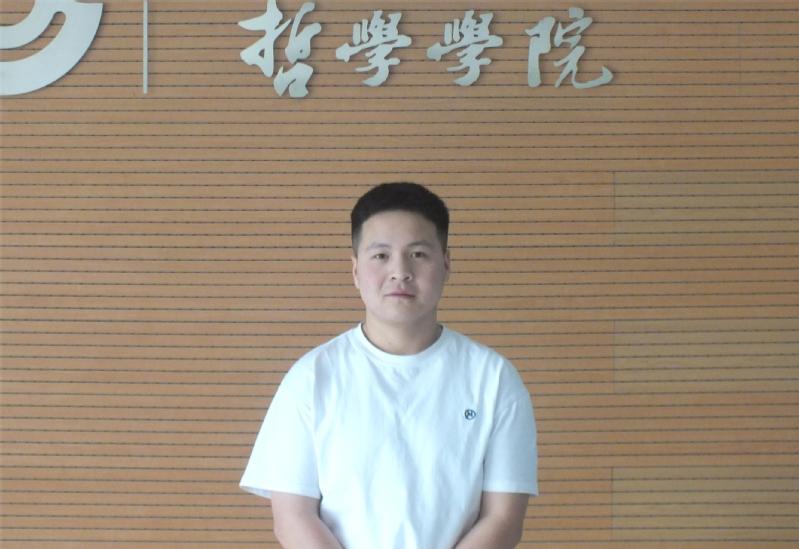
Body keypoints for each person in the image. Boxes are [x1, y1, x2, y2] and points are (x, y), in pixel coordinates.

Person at [240, 182, 538, 548]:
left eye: (418, 254)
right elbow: (292, 518)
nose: (400, 271)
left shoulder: (494, 379)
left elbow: (503, 519)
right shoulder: (311, 378)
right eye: (381, 255)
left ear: (446, 264)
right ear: (355, 270)